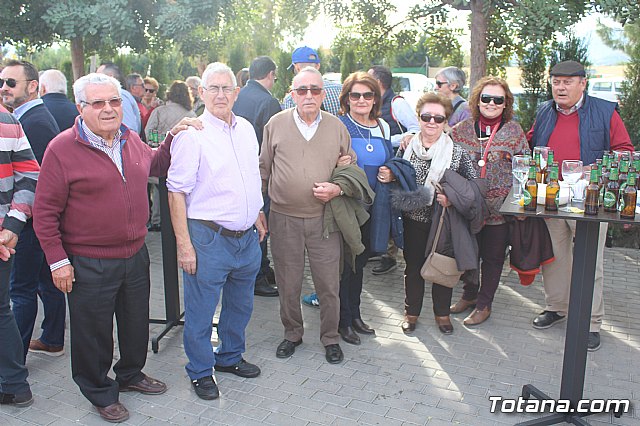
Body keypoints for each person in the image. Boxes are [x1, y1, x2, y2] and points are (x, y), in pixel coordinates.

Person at [33, 73, 178, 423]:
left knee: (134, 323)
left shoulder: (129, 138)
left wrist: (174, 138)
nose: (110, 109)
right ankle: (99, 390)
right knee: (92, 333)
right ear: (81, 108)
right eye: (98, 103)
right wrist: (57, 262)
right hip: (88, 260)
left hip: (134, 253)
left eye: (114, 101)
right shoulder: (62, 148)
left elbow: (154, 165)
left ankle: (130, 374)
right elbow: (44, 211)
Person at [167, 62, 265, 401]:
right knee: (201, 311)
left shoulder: (247, 129)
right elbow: (175, 191)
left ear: (237, 93)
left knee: (241, 306)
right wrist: (184, 245)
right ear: (201, 93)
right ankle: (199, 371)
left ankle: (230, 357)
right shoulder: (192, 135)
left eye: (227, 88)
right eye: (214, 88)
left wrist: (258, 212)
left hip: (247, 239)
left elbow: (251, 176)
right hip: (207, 239)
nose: (221, 94)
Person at [527, 60, 633, 351]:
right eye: (556, 82)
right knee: (555, 257)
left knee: (589, 261)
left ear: (582, 83)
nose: (560, 87)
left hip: (589, 199)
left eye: (567, 82)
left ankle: (591, 322)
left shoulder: (604, 111)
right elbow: (531, 142)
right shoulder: (545, 110)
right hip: (551, 196)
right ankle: (557, 307)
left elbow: (624, 150)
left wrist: (592, 169)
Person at [260, 66, 356, 364]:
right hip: (284, 217)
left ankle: (330, 337)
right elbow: (263, 170)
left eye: (315, 90)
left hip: (325, 219)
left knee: (328, 283)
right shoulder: (275, 124)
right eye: (302, 90)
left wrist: (337, 189)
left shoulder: (337, 126)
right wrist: (257, 211)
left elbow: (348, 171)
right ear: (292, 95)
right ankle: (292, 333)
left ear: (323, 94)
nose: (309, 96)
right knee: (289, 282)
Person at [388, 93, 477, 335]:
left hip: (444, 222)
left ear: (446, 121)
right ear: (418, 117)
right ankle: (411, 313)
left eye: (438, 118)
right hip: (412, 220)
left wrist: (452, 198)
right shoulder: (407, 147)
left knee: (443, 268)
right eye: (426, 116)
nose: (432, 122)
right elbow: (395, 176)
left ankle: (442, 314)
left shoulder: (456, 153)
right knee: (413, 268)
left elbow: (474, 186)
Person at [449, 76, 529, 326]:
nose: (491, 103)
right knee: (468, 252)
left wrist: (520, 203)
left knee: (493, 258)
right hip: (468, 206)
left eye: (498, 99)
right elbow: (442, 154)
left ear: (506, 104)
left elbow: (525, 166)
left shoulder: (514, 131)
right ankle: (469, 296)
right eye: (486, 98)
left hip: (499, 209)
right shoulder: (461, 129)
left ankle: (484, 304)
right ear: (477, 100)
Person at [1, 60, 66, 360]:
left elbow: (32, 180)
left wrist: (18, 220)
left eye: (11, 83)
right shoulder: (30, 116)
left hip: (27, 221)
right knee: (42, 280)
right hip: (34, 220)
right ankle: (52, 338)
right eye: (1, 82)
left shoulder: (35, 120)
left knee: (21, 290)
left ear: (32, 86)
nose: (4, 88)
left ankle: (15, 358)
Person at [335, 72, 393, 345]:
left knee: (359, 264)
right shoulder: (338, 125)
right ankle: (342, 321)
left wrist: (390, 173)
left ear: (375, 99)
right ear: (346, 99)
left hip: (375, 207)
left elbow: (391, 162)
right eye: (355, 95)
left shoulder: (383, 126)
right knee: (345, 265)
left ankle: (355, 314)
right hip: (348, 206)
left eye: (367, 95)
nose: (361, 100)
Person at [233, 56, 282, 298]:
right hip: (258, 172)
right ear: (271, 74)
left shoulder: (237, 96)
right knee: (260, 224)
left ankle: (260, 268)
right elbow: (272, 144)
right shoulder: (269, 101)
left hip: (235, 170)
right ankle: (258, 275)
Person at [0, 104, 39, 408]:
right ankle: (14, 385)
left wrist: (12, 227)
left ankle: (14, 384)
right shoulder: (8, 119)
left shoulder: (7, 120)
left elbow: (30, 175)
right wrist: (12, 226)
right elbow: (29, 177)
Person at [367, 65, 421, 276]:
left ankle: (389, 255)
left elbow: (415, 129)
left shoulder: (397, 103)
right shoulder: (372, 102)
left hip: (393, 160)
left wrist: (386, 140)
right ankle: (377, 247)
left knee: (389, 206)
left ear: (379, 82)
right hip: (378, 159)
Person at [145, 81, 196, 232]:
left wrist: (158, 142)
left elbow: (148, 131)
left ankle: (157, 220)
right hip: (183, 159)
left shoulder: (160, 111)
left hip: (162, 154)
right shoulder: (191, 115)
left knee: (160, 189)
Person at [282, 46, 341, 116]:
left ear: (297, 68)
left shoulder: (291, 99)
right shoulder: (341, 90)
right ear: (318, 66)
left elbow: (290, 125)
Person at [97, 63, 141, 134]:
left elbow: (128, 130)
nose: (95, 81)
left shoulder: (120, 95)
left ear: (111, 77)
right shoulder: (118, 95)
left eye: (98, 77)